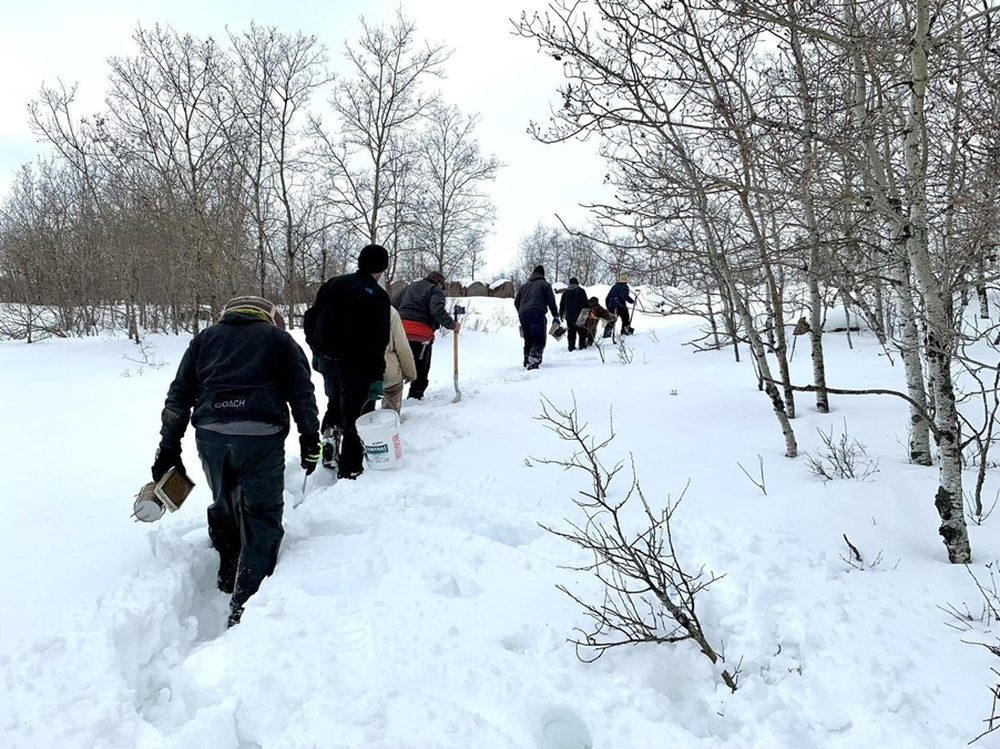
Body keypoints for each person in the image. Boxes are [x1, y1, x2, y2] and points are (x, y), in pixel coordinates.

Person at [151, 295, 320, 628]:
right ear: (269, 316)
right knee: (262, 515)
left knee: (224, 498)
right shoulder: (278, 339)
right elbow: (302, 392)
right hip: (260, 437)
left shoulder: (204, 340)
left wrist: (168, 448)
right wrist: (309, 436)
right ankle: (246, 607)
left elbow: (179, 397)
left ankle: (228, 568)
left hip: (211, 435)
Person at [303, 244, 391, 479]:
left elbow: (311, 317)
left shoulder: (333, 283)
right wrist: (377, 377)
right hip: (358, 366)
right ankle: (350, 469)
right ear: (381, 268)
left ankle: (329, 442)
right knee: (357, 415)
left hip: (329, 362)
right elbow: (378, 341)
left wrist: (315, 349)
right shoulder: (377, 295)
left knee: (334, 401)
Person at [391, 270, 459, 400]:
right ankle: (415, 399)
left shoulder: (410, 287)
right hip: (421, 336)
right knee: (421, 370)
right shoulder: (435, 290)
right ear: (438, 283)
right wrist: (452, 325)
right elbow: (437, 310)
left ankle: (392, 401)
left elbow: (392, 306)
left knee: (397, 368)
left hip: (400, 333)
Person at [514, 264, 560, 370]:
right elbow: (551, 301)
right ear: (543, 274)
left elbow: (516, 302)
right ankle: (533, 361)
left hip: (523, 315)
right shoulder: (545, 285)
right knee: (539, 338)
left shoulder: (524, 286)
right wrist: (555, 316)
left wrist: (522, 311)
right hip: (536, 313)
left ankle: (527, 359)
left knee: (528, 339)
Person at [383, 306, 417, 413]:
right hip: (387, 370)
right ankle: (391, 420)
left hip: (355, 371)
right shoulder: (389, 311)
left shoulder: (345, 305)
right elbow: (402, 346)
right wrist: (409, 372)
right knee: (393, 390)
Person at [558, 277, 588, 352]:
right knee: (582, 331)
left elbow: (562, 305)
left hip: (569, 316)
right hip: (580, 315)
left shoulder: (565, 293)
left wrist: (561, 314)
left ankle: (571, 347)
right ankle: (582, 345)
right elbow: (585, 303)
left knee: (571, 332)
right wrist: (587, 313)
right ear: (577, 283)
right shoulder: (581, 291)